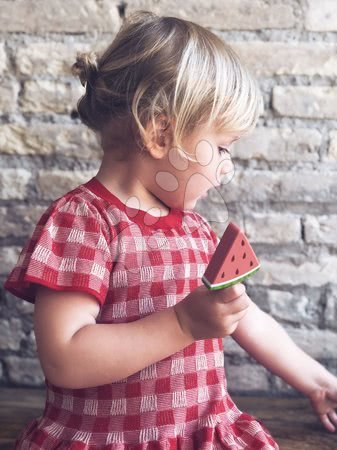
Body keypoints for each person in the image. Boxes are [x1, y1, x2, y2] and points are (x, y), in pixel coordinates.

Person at [4, 10, 337, 449]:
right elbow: (64, 358)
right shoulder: (82, 222)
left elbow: (246, 317)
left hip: (197, 435)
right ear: (160, 133)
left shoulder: (197, 231)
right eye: (220, 147)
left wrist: (318, 382)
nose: (227, 168)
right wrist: (182, 322)